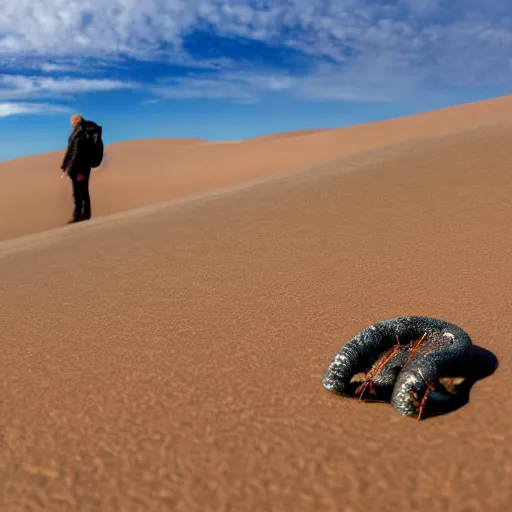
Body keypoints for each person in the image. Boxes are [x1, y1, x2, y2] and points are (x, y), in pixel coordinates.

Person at [60, 114, 100, 223]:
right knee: (82, 191)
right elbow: (72, 151)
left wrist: (68, 168)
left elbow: (76, 153)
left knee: (79, 192)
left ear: (74, 122)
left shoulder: (80, 133)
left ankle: (80, 216)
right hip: (83, 166)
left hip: (79, 167)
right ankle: (83, 215)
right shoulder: (84, 132)